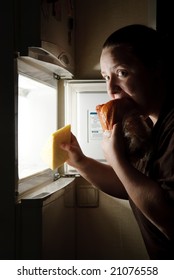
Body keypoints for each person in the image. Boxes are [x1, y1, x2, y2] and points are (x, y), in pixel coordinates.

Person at [61, 24, 174, 260]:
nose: (110, 89)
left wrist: (117, 160)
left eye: (122, 73)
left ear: (156, 68)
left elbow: (170, 219)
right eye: (105, 77)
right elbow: (132, 187)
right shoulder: (151, 124)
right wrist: (80, 161)